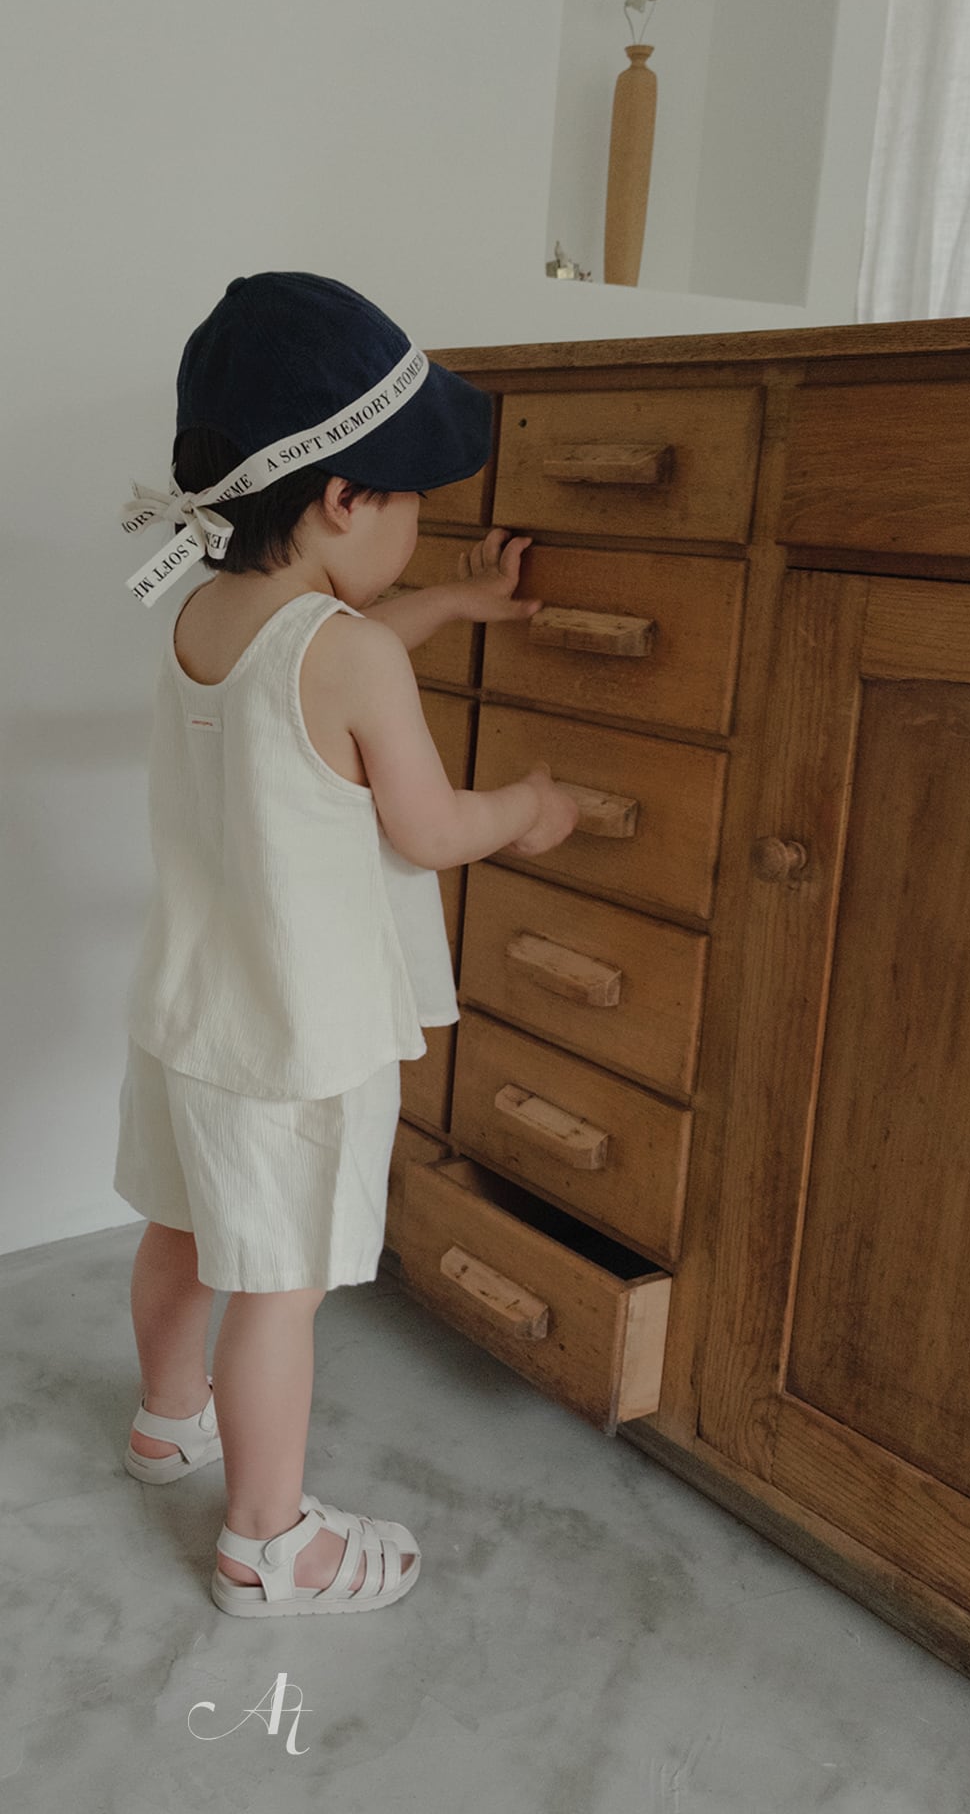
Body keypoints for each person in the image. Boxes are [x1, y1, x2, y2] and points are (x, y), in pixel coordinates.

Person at [111, 271, 580, 1617]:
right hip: (301, 1042)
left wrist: (453, 608)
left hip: (191, 1016)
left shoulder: (199, 616)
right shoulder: (349, 657)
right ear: (339, 499)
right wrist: (527, 808)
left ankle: (167, 1422)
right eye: (411, 500)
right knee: (283, 1289)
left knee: (182, 1233)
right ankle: (268, 1545)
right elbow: (428, 826)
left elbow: (330, 648)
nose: (419, 528)